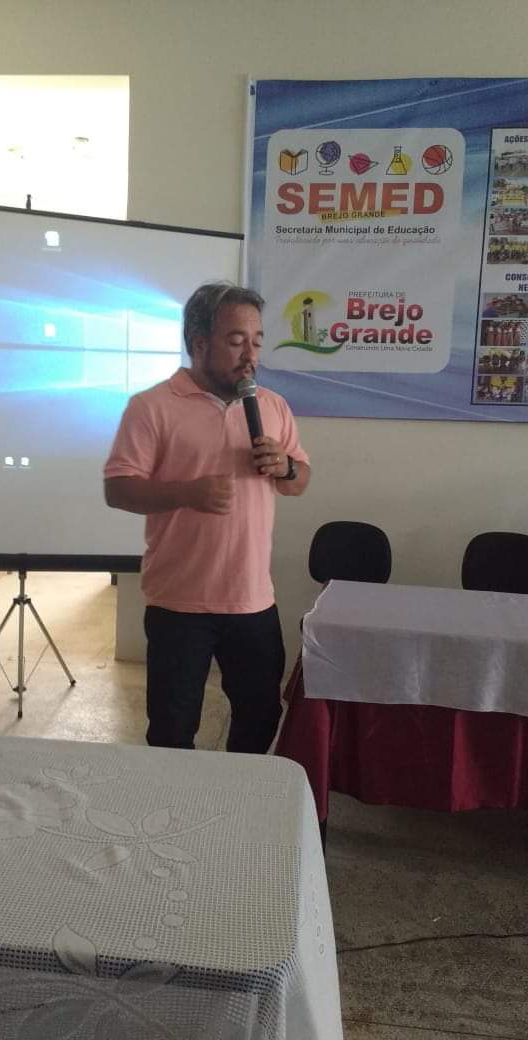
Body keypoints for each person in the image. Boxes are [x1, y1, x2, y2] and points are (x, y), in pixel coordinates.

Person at [103, 282, 310, 753]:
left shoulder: (272, 406)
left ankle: (234, 797)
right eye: (236, 341)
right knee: (173, 730)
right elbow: (118, 488)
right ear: (199, 344)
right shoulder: (151, 407)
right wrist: (186, 493)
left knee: (261, 716)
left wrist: (286, 466)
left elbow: (300, 480)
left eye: (257, 340)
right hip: (179, 603)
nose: (250, 354)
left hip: (252, 599)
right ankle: (177, 802)